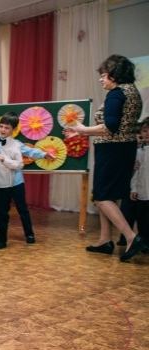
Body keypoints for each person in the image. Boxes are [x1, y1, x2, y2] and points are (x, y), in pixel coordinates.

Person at [65, 54, 147, 262]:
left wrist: (82, 130)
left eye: (103, 75)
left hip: (112, 149)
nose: (101, 79)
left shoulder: (116, 94)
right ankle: (105, 240)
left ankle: (131, 237)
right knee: (108, 195)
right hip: (124, 148)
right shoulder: (133, 92)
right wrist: (83, 132)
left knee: (102, 196)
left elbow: (110, 127)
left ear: (114, 75)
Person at [11, 139, 56, 244]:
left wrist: (44, 155)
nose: (1, 131)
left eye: (6, 129)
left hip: (16, 181)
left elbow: (29, 151)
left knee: (22, 209)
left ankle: (29, 234)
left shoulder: (16, 143)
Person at [0, 112, 24, 249]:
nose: (3, 130)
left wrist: (5, 159)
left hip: (5, 184)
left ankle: (2, 239)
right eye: (1, 126)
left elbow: (20, 164)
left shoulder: (15, 145)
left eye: (7, 128)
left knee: (2, 213)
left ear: (14, 129)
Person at [117, 121, 142, 246]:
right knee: (126, 213)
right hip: (128, 188)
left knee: (142, 216)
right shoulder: (127, 152)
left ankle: (142, 240)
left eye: (141, 138)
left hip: (142, 189)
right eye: (137, 138)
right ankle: (124, 239)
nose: (139, 140)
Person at [130, 117, 149, 246]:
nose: (147, 133)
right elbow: (135, 173)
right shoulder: (138, 152)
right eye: (145, 130)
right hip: (142, 193)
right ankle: (143, 243)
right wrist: (134, 189)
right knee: (142, 219)